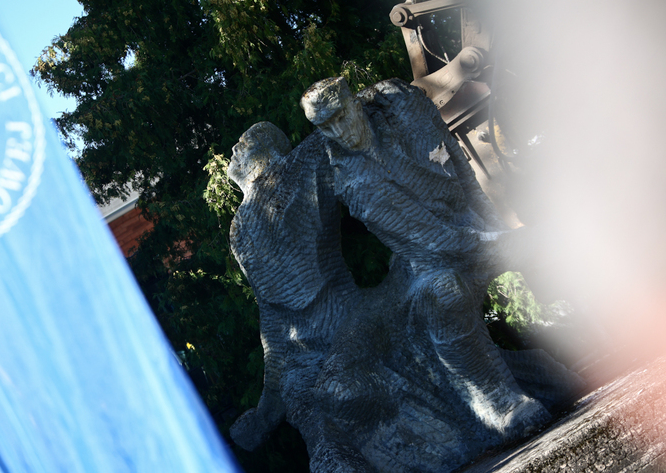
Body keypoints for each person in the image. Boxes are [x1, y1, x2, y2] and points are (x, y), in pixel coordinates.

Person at [301, 77, 554, 439]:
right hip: (428, 259)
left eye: (341, 116)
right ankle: (502, 405)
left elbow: (456, 160)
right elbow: (434, 241)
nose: (339, 131)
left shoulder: (400, 103)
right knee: (443, 294)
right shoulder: (354, 185)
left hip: (470, 223)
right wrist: (499, 242)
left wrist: (495, 223)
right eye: (326, 126)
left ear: (354, 102)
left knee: (550, 243)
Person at [227, 122, 370, 470]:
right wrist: (266, 408)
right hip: (302, 344)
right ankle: (334, 461)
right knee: (299, 394)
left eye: (242, 143)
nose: (234, 149)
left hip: (345, 317)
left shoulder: (301, 166)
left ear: (264, 150)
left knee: (338, 383)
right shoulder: (240, 229)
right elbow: (270, 312)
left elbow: (336, 129)